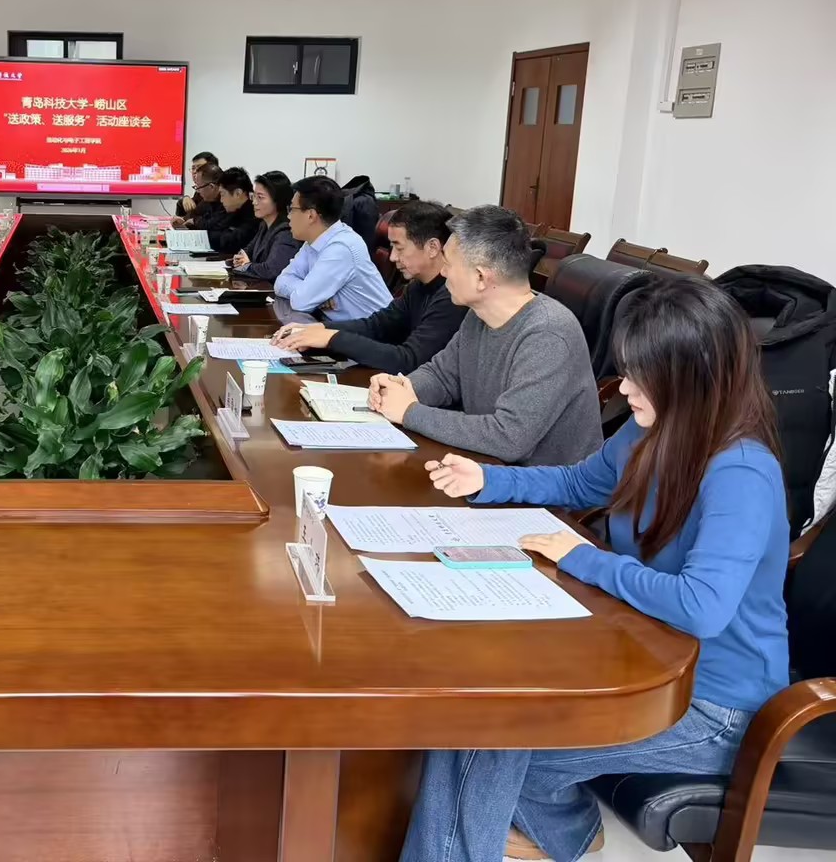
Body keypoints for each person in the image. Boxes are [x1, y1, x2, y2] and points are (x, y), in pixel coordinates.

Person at [405, 276, 788, 862]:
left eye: (640, 375)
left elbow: (701, 607)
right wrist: (488, 479)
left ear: (693, 378)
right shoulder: (652, 428)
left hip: (711, 704)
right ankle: (565, 831)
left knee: (493, 738)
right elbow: (581, 482)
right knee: (476, 712)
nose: (624, 386)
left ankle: (522, 836)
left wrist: (583, 557)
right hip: (639, 650)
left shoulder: (741, 472)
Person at [369, 204, 600, 465]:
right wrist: (400, 388)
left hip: (544, 484)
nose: (442, 272)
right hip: (485, 468)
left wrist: (410, 412)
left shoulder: (548, 334)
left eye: (448, 263)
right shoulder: (478, 315)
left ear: (480, 277)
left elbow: (509, 437)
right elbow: (443, 375)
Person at [271, 201, 465, 372]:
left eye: (399, 247)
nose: (393, 257)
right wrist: (318, 328)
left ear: (432, 247)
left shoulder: (452, 296)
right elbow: (377, 326)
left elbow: (409, 360)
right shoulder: (418, 286)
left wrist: (332, 338)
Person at [273, 175, 392, 322]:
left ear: (311, 215)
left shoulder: (341, 248)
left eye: (292, 209)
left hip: (376, 331)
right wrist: (315, 295)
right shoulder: (313, 241)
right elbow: (281, 282)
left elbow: (300, 301)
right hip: (342, 326)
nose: (288, 216)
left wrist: (310, 295)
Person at [231, 170, 299, 281]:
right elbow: (246, 252)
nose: (254, 202)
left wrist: (246, 266)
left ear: (277, 200)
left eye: (260, 197)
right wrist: (239, 260)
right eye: (254, 196)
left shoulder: (286, 232)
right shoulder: (264, 225)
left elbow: (271, 270)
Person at [203, 167, 261, 253]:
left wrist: (206, 236)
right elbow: (213, 227)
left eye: (222, 194)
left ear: (238, 193)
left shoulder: (254, 215)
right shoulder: (233, 209)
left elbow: (230, 242)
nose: (221, 200)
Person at [171, 163, 224, 230]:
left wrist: (195, 222)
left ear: (211, 187)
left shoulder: (227, 202)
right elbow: (193, 215)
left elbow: (216, 228)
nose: (198, 191)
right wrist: (183, 222)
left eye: (198, 187)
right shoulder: (207, 199)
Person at [180, 151, 217, 216]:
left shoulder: (219, 191)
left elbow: (197, 216)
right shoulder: (200, 189)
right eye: (193, 168)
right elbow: (189, 213)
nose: (194, 171)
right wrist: (185, 198)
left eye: (199, 168)